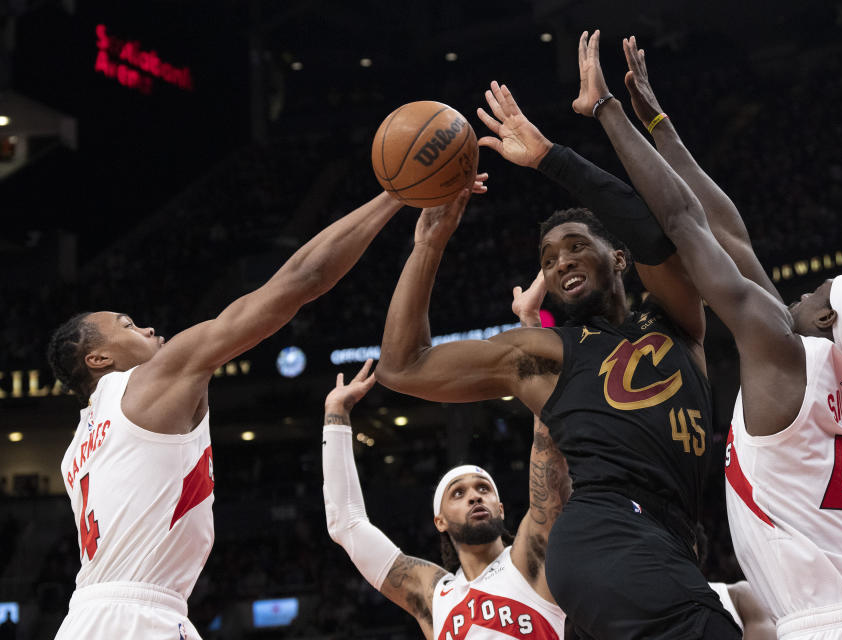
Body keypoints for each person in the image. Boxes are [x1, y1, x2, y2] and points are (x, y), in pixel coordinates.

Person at [577, 28, 842, 639]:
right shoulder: (838, 371)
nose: (799, 294)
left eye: (814, 292)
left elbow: (684, 222)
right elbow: (736, 239)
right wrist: (661, 126)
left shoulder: (784, 351)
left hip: (827, 628)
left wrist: (606, 111)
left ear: (827, 319)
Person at [376, 81, 743, 638]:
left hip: (666, 544)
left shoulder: (673, 319)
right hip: (608, 535)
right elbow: (403, 366)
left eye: (575, 246)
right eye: (548, 259)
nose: (560, 262)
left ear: (618, 257)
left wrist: (551, 158)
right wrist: (430, 240)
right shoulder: (547, 355)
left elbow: (659, 234)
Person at [46, 180, 482, 640]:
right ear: (98, 360)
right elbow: (298, 282)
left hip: (87, 617)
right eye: (128, 325)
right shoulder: (149, 381)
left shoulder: (76, 450)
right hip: (138, 619)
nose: (148, 327)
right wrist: (398, 194)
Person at [323, 279, 569, 640]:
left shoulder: (532, 557)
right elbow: (347, 524)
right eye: (458, 493)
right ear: (438, 520)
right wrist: (336, 416)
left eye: (483, 489)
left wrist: (531, 326)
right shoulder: (434, 596)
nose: (474, 496)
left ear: (501, 507)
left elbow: (549, 435)